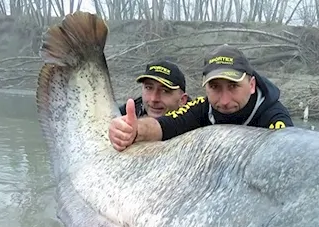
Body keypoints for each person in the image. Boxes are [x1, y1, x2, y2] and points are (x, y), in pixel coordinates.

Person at [109, 45, 294, 151]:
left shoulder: (274, 117)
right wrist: (133, 131)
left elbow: (287, 152)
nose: (224, 101)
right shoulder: (202, 108)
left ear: (252, 85)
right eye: (215, 87)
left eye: (233, 86)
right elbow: (165, 125)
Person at [111, 59, 189, 126]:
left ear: (182, 100)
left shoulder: (194, 122)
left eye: (164, 91)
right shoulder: (131, 111)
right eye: (149, 88)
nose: (154, 98)